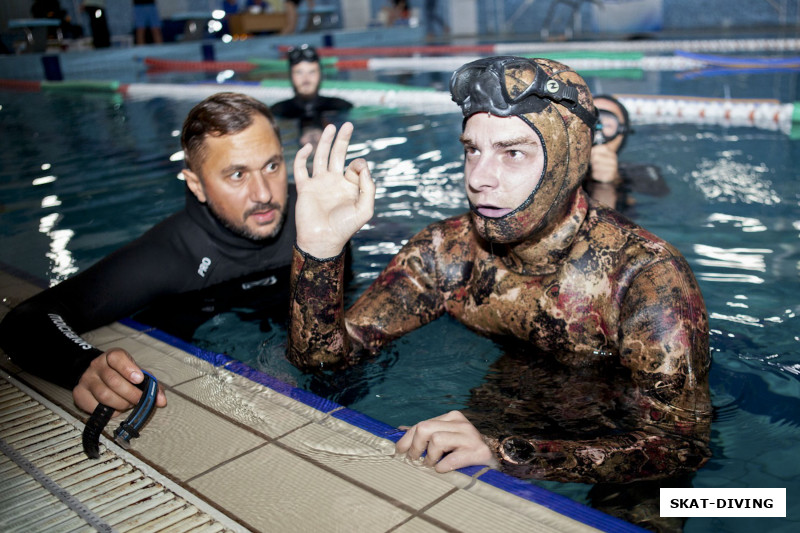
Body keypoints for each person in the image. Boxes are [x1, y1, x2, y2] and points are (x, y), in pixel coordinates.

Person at [286, 57, 712, 486]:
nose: (479, 177)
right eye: (473, 149)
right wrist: (319, 256)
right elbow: (324, 364)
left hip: (621, 444)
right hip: (507, 404)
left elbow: (679, 447)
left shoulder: (644, 277)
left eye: (512, 153)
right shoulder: (447, 253)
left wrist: (507, 455)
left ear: (568, 160)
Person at [0, 92, 296, 418]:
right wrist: (81, 364)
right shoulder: (173, 254)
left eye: (271, 166)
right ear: (196, 185)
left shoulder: (311, 215)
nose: (264, 194)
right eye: (237, 175)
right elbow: (26, 320)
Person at [585, 94, 669, 209]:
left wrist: (606, 185)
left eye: (608, 125)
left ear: (622, 133)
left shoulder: (643, 175)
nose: (598, 132)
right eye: (589, 121)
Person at [271, 44, 353, 141]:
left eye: (312, 72)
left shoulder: (341, 106)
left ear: (320, 75)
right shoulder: (277, 111)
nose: (306, 79)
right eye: (299, 72)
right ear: (291, 76)